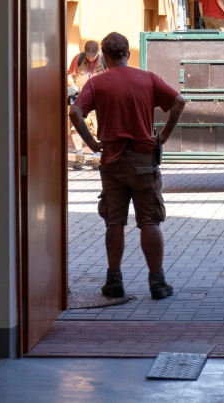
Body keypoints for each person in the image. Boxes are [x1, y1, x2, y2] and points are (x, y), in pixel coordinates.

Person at [69, 31, 187, 301]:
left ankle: (114, 281)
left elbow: (75, 111)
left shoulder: (97, 84)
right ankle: (157, 282)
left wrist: (91, 143)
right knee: (149, 220)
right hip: (144, 160)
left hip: (112, 160)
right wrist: (164, 136)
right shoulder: (147, 78)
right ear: (128, 54)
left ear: (105, 57)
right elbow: (178, 102)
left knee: (114, 221)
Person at [67, 40, 106, 169]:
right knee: (75, 126)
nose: (90, 57)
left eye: (92, 55)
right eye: (88, 55)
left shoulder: (105, 60)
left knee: (97, 127)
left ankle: (96, 156)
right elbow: (70, 75)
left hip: (98, 100)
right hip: (80, 98)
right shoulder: (78, 58)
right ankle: (79, 155)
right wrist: (73, 87)